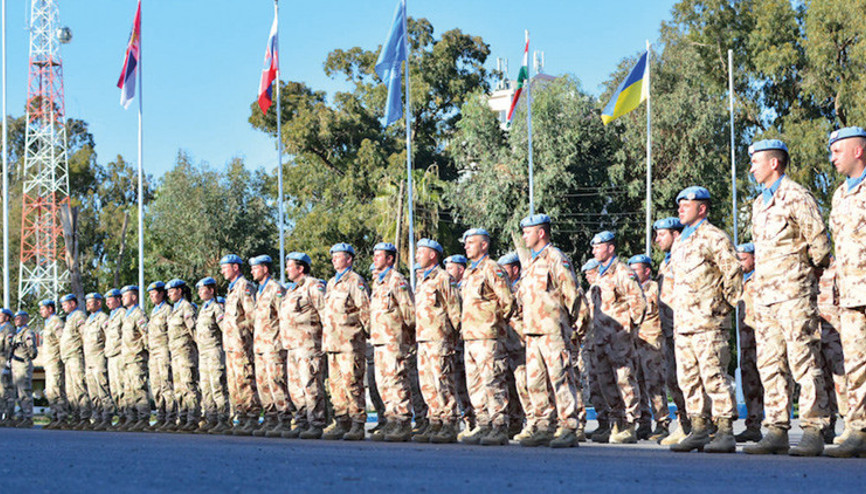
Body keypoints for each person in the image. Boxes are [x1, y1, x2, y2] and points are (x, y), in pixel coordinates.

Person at [744, 139, 832, 457]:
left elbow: (819, 243)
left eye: (756, 161)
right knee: (770, 365)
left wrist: (806, 276)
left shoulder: (796, 195)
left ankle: (813, 430)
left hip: (794, 295)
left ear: (774, 163)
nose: (751, 166)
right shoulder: (758, 203)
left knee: (803, 362)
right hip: (766, 297)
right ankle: (777, 430)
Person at [668, 186, 741, 454]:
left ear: (702, 208)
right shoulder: (680, 241)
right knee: (688, 379)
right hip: (685, 323)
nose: (680, 208)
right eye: (680, 204)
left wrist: (723, 308)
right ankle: (698, 428)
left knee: (713, 376)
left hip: (709, 323)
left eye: (686, 204)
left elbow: (733, 272)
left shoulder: (714, 237)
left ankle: (724, 431)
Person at [517, 214, 589, 448]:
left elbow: (572, 292)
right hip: (533, 331)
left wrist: (577, 326)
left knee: (560, 378)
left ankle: (568, 427)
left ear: (541, 233)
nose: (524, 235)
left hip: (553, 331)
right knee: (535, 383)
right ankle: (543, 425)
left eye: (528, 231)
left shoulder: (555, 257)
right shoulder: (530, 262)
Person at [826, 127, 866, 458]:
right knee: (855, 364)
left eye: (837, 151)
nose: (832, 157)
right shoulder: (840, 195)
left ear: (857, 151)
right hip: (852, 294)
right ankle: (858, 428)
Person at [587, 231, 646, 444]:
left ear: (610, 248)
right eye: (593, 246)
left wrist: (629, 331)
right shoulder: (599, 276)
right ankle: (616, 422)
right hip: (600, 339)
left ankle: (630, 425)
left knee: (625, 380)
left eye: (598, 246)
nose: (594, 250)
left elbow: (638, 302)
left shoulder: (622, 271)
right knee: (606, 382)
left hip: (619, 338)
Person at [459, 228, 514, 446]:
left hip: (488, 337)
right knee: (475, 385)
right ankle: (483, 425)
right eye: (466, 243)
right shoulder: (469, 272)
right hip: (471, 337)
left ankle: (499, 426)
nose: (466, 246)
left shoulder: (492, 268)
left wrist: (494, 323)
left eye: (471, 242)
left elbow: (507, 301)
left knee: (493, 382)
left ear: (484, 245)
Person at [413, 239, 462, 443]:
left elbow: (455, 310)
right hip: (423, 339)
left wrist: (455, 338)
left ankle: (449, 424)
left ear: (432, 255)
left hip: (440, 339)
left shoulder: (443, 278)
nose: (416, 256)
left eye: (420, 253)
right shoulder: (422, 280)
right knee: (427, 385)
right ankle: (435, 423)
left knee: (442, 382)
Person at [322, 243, 370, 441]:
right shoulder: (332, 282)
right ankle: (342, 420)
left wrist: (367, 335)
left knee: (352, 383)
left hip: (350, 342)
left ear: (349, 259)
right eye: (333, 256)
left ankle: (357, 423)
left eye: (338, 256)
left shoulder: (355, 281)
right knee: (335, 385)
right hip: (333, 343)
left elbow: (365, 310)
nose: (334, 259)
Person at [368, 242, 416, 442]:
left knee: (396, 381)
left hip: (394, 341)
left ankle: (402, 422)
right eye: (375, 255)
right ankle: (391, 421)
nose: (375, 259)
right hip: (380, 341)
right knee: (384, 384)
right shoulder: (378, 282)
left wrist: (406, 339)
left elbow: (409, 313)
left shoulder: (396, 280)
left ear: (390, 259)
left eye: (379, 256)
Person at [653, 217, 693, 446]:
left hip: (687, 327)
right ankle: (685, 424)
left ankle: (708, 425)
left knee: (692, 379)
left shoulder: (684, 256)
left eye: (662, 234)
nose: (657, 239)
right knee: (673, 379)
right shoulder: (666, 262)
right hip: (669, 330)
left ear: (675, 235)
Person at [279, 252, 327, 439]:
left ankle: (316, 422)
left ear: (300, 268)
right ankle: (301, 421)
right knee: (296, 387)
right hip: (292, 345)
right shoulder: (291, 290)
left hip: (308, 344)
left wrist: (326, 341)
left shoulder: (313, 286)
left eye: (290, 266)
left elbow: (324, 313)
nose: (287, 270)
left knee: (310, 384)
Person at [627, 254, 671, 441]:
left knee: (655, 384)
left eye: (636, 270)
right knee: (638, 384)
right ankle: (644, 422)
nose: (633, 274)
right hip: (635, 343)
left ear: (646, 271)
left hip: (653, 343)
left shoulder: (655, 289)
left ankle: (662, 423)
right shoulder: (631, 290)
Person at [219, 254, 263, 436]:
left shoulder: (244, 286)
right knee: (235, 384)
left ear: (235, 267)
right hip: (231, 345)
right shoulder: (231, 289)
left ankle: (251, 418)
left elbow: (252, 316)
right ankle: (242, 417)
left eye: (225, 267)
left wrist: (241, 331)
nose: (222, 271)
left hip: (242, 345)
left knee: (245, 381)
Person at [248, 256, 291, 437]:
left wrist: (283, 342)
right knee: (263, 385)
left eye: (255, 268)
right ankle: (271, 419)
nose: (252, 271)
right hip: (260, 346)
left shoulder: (276, 289)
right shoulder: (259, 292)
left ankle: (284, 420)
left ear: (265, 269)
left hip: (273, 346)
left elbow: (284, 317)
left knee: (276, 383)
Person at [498, 252, 533, 440]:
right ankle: (515, 422)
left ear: (515, 269)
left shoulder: (523, 288)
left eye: (505, 269)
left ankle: (532, 422)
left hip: (520, 344)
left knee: (524, 385)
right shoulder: (505, 288)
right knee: (510, 386)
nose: (501, 273)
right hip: (506, 345)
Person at [734, 243, 764, 444]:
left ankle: (779, 428)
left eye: (743, 259)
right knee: (750, 383)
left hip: (763, 339)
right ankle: (753, 427)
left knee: (772, 381)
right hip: (746, 341)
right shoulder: (739, 281)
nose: (740, 263)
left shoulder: (762, 278)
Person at [816, 259, 849, 445]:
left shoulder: (838, 268)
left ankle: (851, 423)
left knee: (841, 380)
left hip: (836, 334)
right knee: (821, 380)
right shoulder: (809, 269)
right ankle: (827, 425)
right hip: (816, 332)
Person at [194, 277, 231, 434]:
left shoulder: (216, 308)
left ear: (211, 290)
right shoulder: (203, 309)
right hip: (203, 353)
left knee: (217, 385)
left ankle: (223, 419)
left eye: (203, 289)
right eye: (199, 290)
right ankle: (212, 418)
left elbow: (225, 330)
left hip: (214, 351)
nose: (200, 292)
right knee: (206, 387)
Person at [166, 279, 202, 433]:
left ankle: (193, 418)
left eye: (171, 290)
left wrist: (199, 351)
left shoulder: (186, 308)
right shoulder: (175, 309)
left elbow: (194, 331)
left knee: (189, 386)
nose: (168, 294)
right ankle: (184, 417)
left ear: (180, 291)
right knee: (179, 389)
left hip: (186, 353)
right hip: (176, 354)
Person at [445, 254, 474, 434]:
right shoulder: (451, 288)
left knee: (472, 383)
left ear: (461, 269)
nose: (447, 272)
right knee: (458, 385)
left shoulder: (466, 287)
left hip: (468, 342)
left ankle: (478, 421)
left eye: (451, 268)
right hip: (455, 344)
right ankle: (469, 421)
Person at [120, 285, 151, 432]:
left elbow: (146, 335)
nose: (122, 299)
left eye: (125, 296)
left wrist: (145, 353)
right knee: (129, 390)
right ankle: (132, 418)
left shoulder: (138, 314)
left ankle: (143, 418)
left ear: (133, 297)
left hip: (136, 357)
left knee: (139, 388)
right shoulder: (127, 315)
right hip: (127, 358)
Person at [60, 293, 93, 429]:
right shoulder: (69, 318)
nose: (63, 307)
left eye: (65, 304)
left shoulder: (79, 316)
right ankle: (76, 416)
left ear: (73, 304)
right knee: (71, 390)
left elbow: (84, 335)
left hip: (76, 356)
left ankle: (85, 417)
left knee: (79, 387)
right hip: (68, 357)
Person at [147, 281, 176, 431]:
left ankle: (171, 418)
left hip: (164, 351)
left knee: (166, 385)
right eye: (150, 295)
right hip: (153, 352)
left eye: (154, 294)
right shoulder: (154, 311)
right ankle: (161, 416)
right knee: (157, 387)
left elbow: (172, 333)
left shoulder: (167, 310)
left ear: (162, 294)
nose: (151, 297)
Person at [83, 293, 113, 431]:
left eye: (91, 302)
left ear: (99, 303)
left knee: (102, 390)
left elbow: (109, 338)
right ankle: (97, 417)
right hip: (89, 360)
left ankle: (107, 418)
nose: (89, 304)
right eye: (87, 302)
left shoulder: (104, 319)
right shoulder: (88, 320)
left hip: (99, 358)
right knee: (93, 392)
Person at [40, 299, 68, 429]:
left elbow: (62, 340)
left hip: (55, 361)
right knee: (51, 391)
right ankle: (55, 416)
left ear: (50, 309)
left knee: (57, 389)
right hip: (49, 361)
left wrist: (60, 358)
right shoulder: (48, 323)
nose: (41, 311)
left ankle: (62, 418)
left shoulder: (56, 322)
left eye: (43, 309)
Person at [9, 311, 37, 428]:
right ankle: (20, 416)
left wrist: (27, 358)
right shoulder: (17, 333)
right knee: (18, 393)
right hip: (15, 365)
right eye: (15, 318)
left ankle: (28, 417)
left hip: (22, 364)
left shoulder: (27, 332)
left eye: (20, 318)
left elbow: (32, 350)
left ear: (25, 319)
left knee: (24, 391)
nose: (17, 320)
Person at [103, 289, 126, 429]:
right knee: (115, 390)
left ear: (119, 300)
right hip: (111, 355)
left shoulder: (122, 314)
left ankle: (126, 417)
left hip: (120, 356)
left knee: (122, 387)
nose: (107, 302)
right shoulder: (111, 317)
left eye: (110, 299)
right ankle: (121, 417)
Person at [0, 308, 15, 425]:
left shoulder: (8, 329)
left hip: (4, 362)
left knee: (5, 391)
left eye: (1, 315)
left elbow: (9, 348)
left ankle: (7, 416)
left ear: (7, 317)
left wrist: (8, 364)